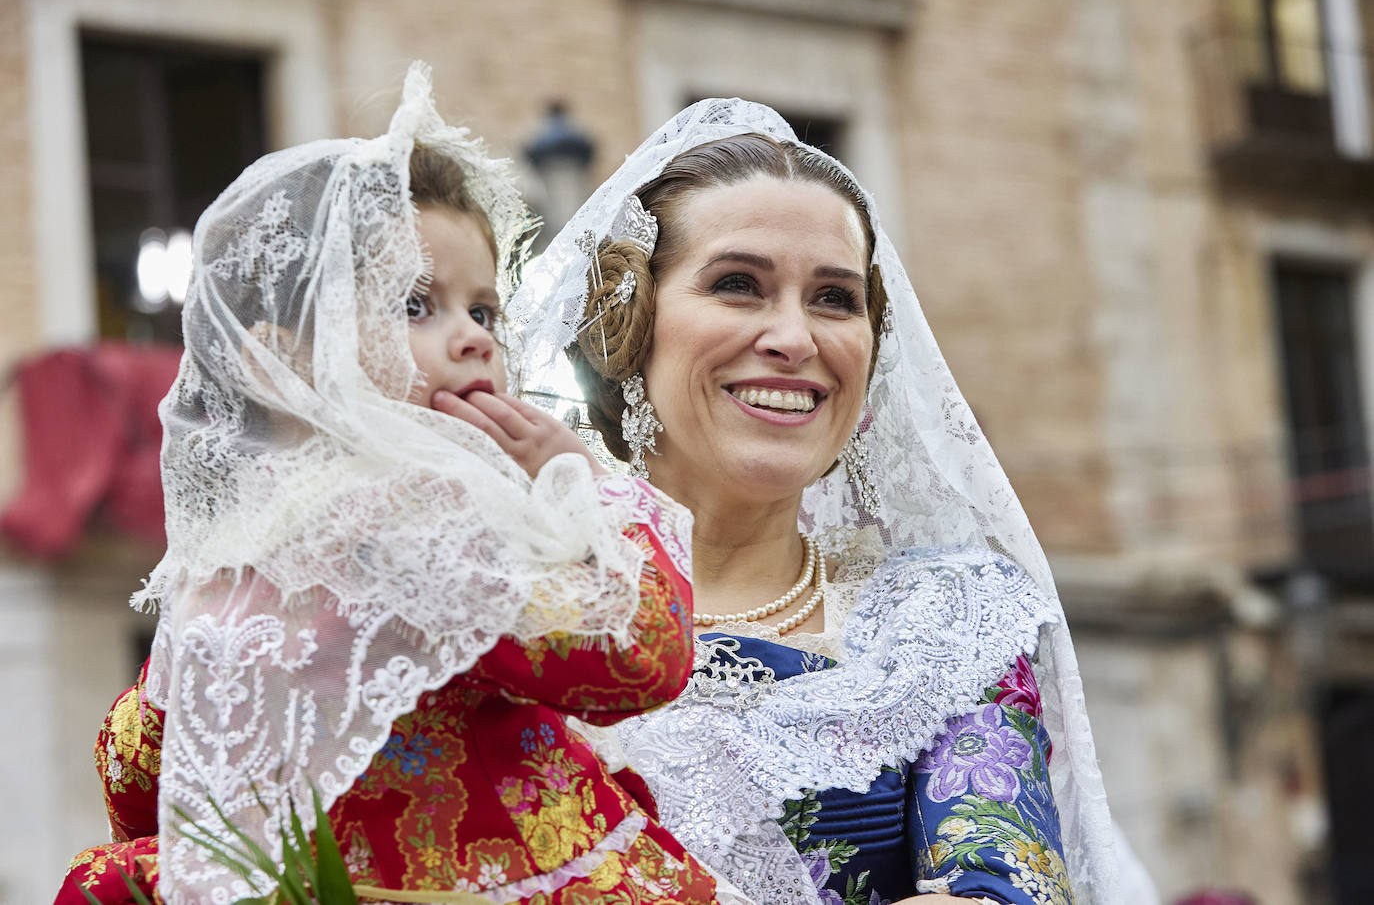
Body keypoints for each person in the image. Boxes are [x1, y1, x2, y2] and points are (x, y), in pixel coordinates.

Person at [56, 65, 719, 905]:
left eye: (484, 311)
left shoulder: (246, 547)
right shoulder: (413, 518)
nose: (474, 339)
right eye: (415, 304)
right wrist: (583, 484)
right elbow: (638, 658)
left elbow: (134, 766)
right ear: (286, 359)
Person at [511, 100, 1120, 904]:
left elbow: (1001, 884)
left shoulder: (943, 625)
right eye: (738, 285)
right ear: (631, 317)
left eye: (835, 299)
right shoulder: (507, 605)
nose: (795, 339)